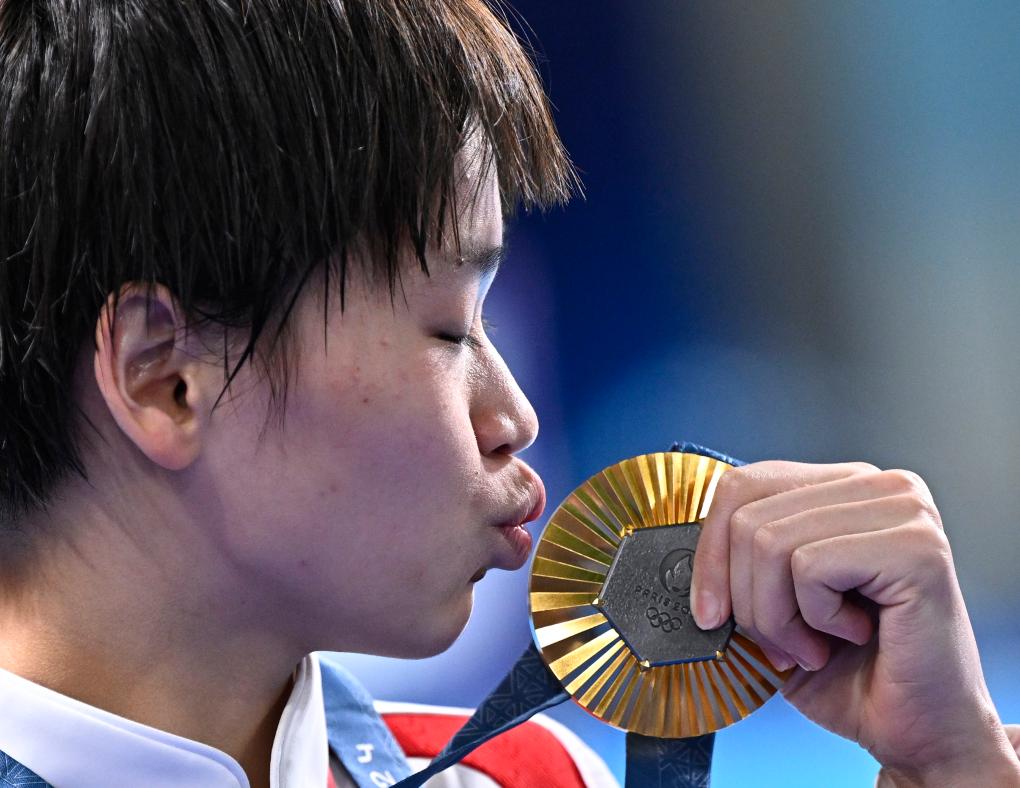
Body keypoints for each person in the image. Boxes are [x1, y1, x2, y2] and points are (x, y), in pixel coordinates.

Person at [0, 1, 1016, 787]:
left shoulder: (529, 775)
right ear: (168, 379)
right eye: (450, 330)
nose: (516, 418)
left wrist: (951, 768)